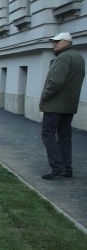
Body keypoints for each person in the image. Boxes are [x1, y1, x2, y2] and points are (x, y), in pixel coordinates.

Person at [39, 32, 85, 179]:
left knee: (48, 134)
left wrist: (45, 97)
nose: (54, 44)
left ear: (66, 42)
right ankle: (66, 168)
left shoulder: (63, 57)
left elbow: (56, 82)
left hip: (55, 105)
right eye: (54, 41)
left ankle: (57, 167)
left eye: (57, 41)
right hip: (68, 104)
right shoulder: (78, 57)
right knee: (65, 136)